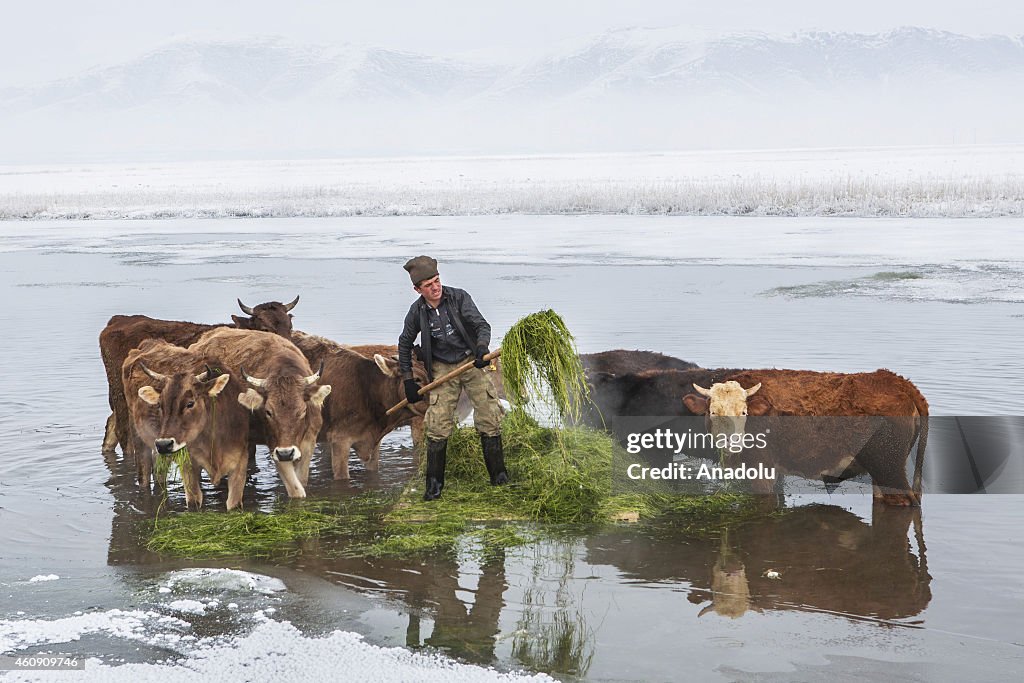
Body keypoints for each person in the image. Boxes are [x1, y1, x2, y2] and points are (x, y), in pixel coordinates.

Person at [398, 255, 508, 500]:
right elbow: (404, 343)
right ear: (417, 289)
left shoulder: (459, 297)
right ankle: (433, 490)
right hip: (441, 369)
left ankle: (499, 481)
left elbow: (482, 326)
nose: (435, 287)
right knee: (437, 425)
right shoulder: (416, 311)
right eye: (428, 285)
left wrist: (481, 348)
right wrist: (408, 380)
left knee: (490, 416)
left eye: (437, 281)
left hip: (470, 361)